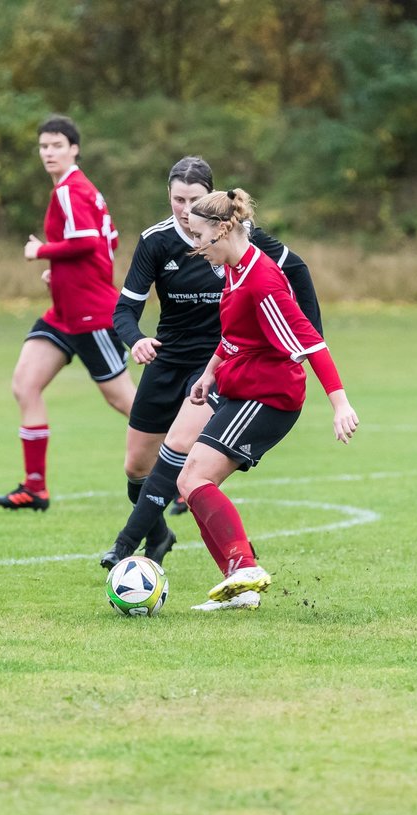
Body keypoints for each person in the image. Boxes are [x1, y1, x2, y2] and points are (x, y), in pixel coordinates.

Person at [100, 156, 322, 570]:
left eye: (194, 200)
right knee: (137, 465)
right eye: (177, 199)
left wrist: (310, 337)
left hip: (216, 362)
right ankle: (158, 534)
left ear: (214, 203)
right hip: (167, 359)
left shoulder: (240, 237)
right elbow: (123, 311)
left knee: (181, 450)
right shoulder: (156, 241)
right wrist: (137, 341)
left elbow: (298, 270)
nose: (185, 210)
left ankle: (123, 546)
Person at [175, 189, 358, 612]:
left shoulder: (262, 281)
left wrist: (340, 403)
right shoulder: (234, 271)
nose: (197, 247)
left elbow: (310, 341)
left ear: (223, 229)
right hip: (243, 389)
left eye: (200, 237)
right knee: (191, 482)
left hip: (269, 396)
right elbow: (234, 335)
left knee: (195, 480)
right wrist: (209, 372)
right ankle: (242, 586)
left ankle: (244, 568)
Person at [0, 116, 135, 512]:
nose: (49, 153)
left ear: (74, 148)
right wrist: (60, 275)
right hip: (63, 313)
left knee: (128, 403)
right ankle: (35, 489)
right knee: (25, 384)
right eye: (43, 147)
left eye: (56, 145)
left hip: (91, 314)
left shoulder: (71, 190)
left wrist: (42, 252)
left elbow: (88, 242)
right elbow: (111, 240)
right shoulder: (80, 190)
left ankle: (179, 474)